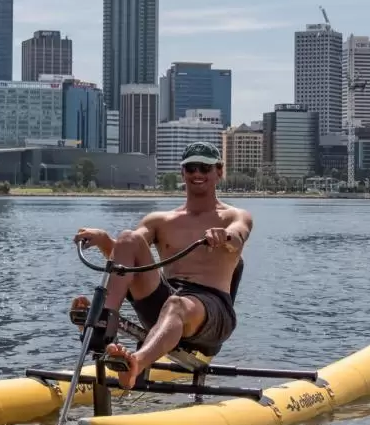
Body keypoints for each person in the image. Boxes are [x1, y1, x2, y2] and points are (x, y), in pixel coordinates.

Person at [71, 141, 253, 389]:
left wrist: (226, 237)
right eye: (190, 168)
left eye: (204, 167)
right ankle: (102, 326)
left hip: (212, 312)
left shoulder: (234, 216)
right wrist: (104, 240)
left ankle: (136, 363)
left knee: (176, 305)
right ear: (182, 173)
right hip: (166, 299)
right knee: (128, 237)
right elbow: (124, 261)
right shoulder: (160, 220)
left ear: (219, 172)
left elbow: (238, 235)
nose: (197, 173)